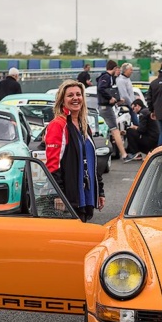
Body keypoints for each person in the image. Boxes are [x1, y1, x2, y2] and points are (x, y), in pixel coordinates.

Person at [44, 80, 105, 222]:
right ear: (62, 100)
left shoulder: (84, 125)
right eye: (70, 95)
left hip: (85, 195)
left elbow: (92, 162)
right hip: (67, 197)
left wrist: (99, 191)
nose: (75, 98)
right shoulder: (58, 125)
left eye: (78, 94)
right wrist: (58, 194)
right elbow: (53, 164)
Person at [96, 60, 132, 162]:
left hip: (106, 107)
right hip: (106, 108)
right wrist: (110, 98)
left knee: (113, 130)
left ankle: (122, 153)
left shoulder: (108, 78)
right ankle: (124, 155)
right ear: (114, 68)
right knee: (115, 130)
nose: (119, 72)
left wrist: (116, 100)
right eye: (118, 69)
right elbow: (101, 89)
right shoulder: (106, 77)